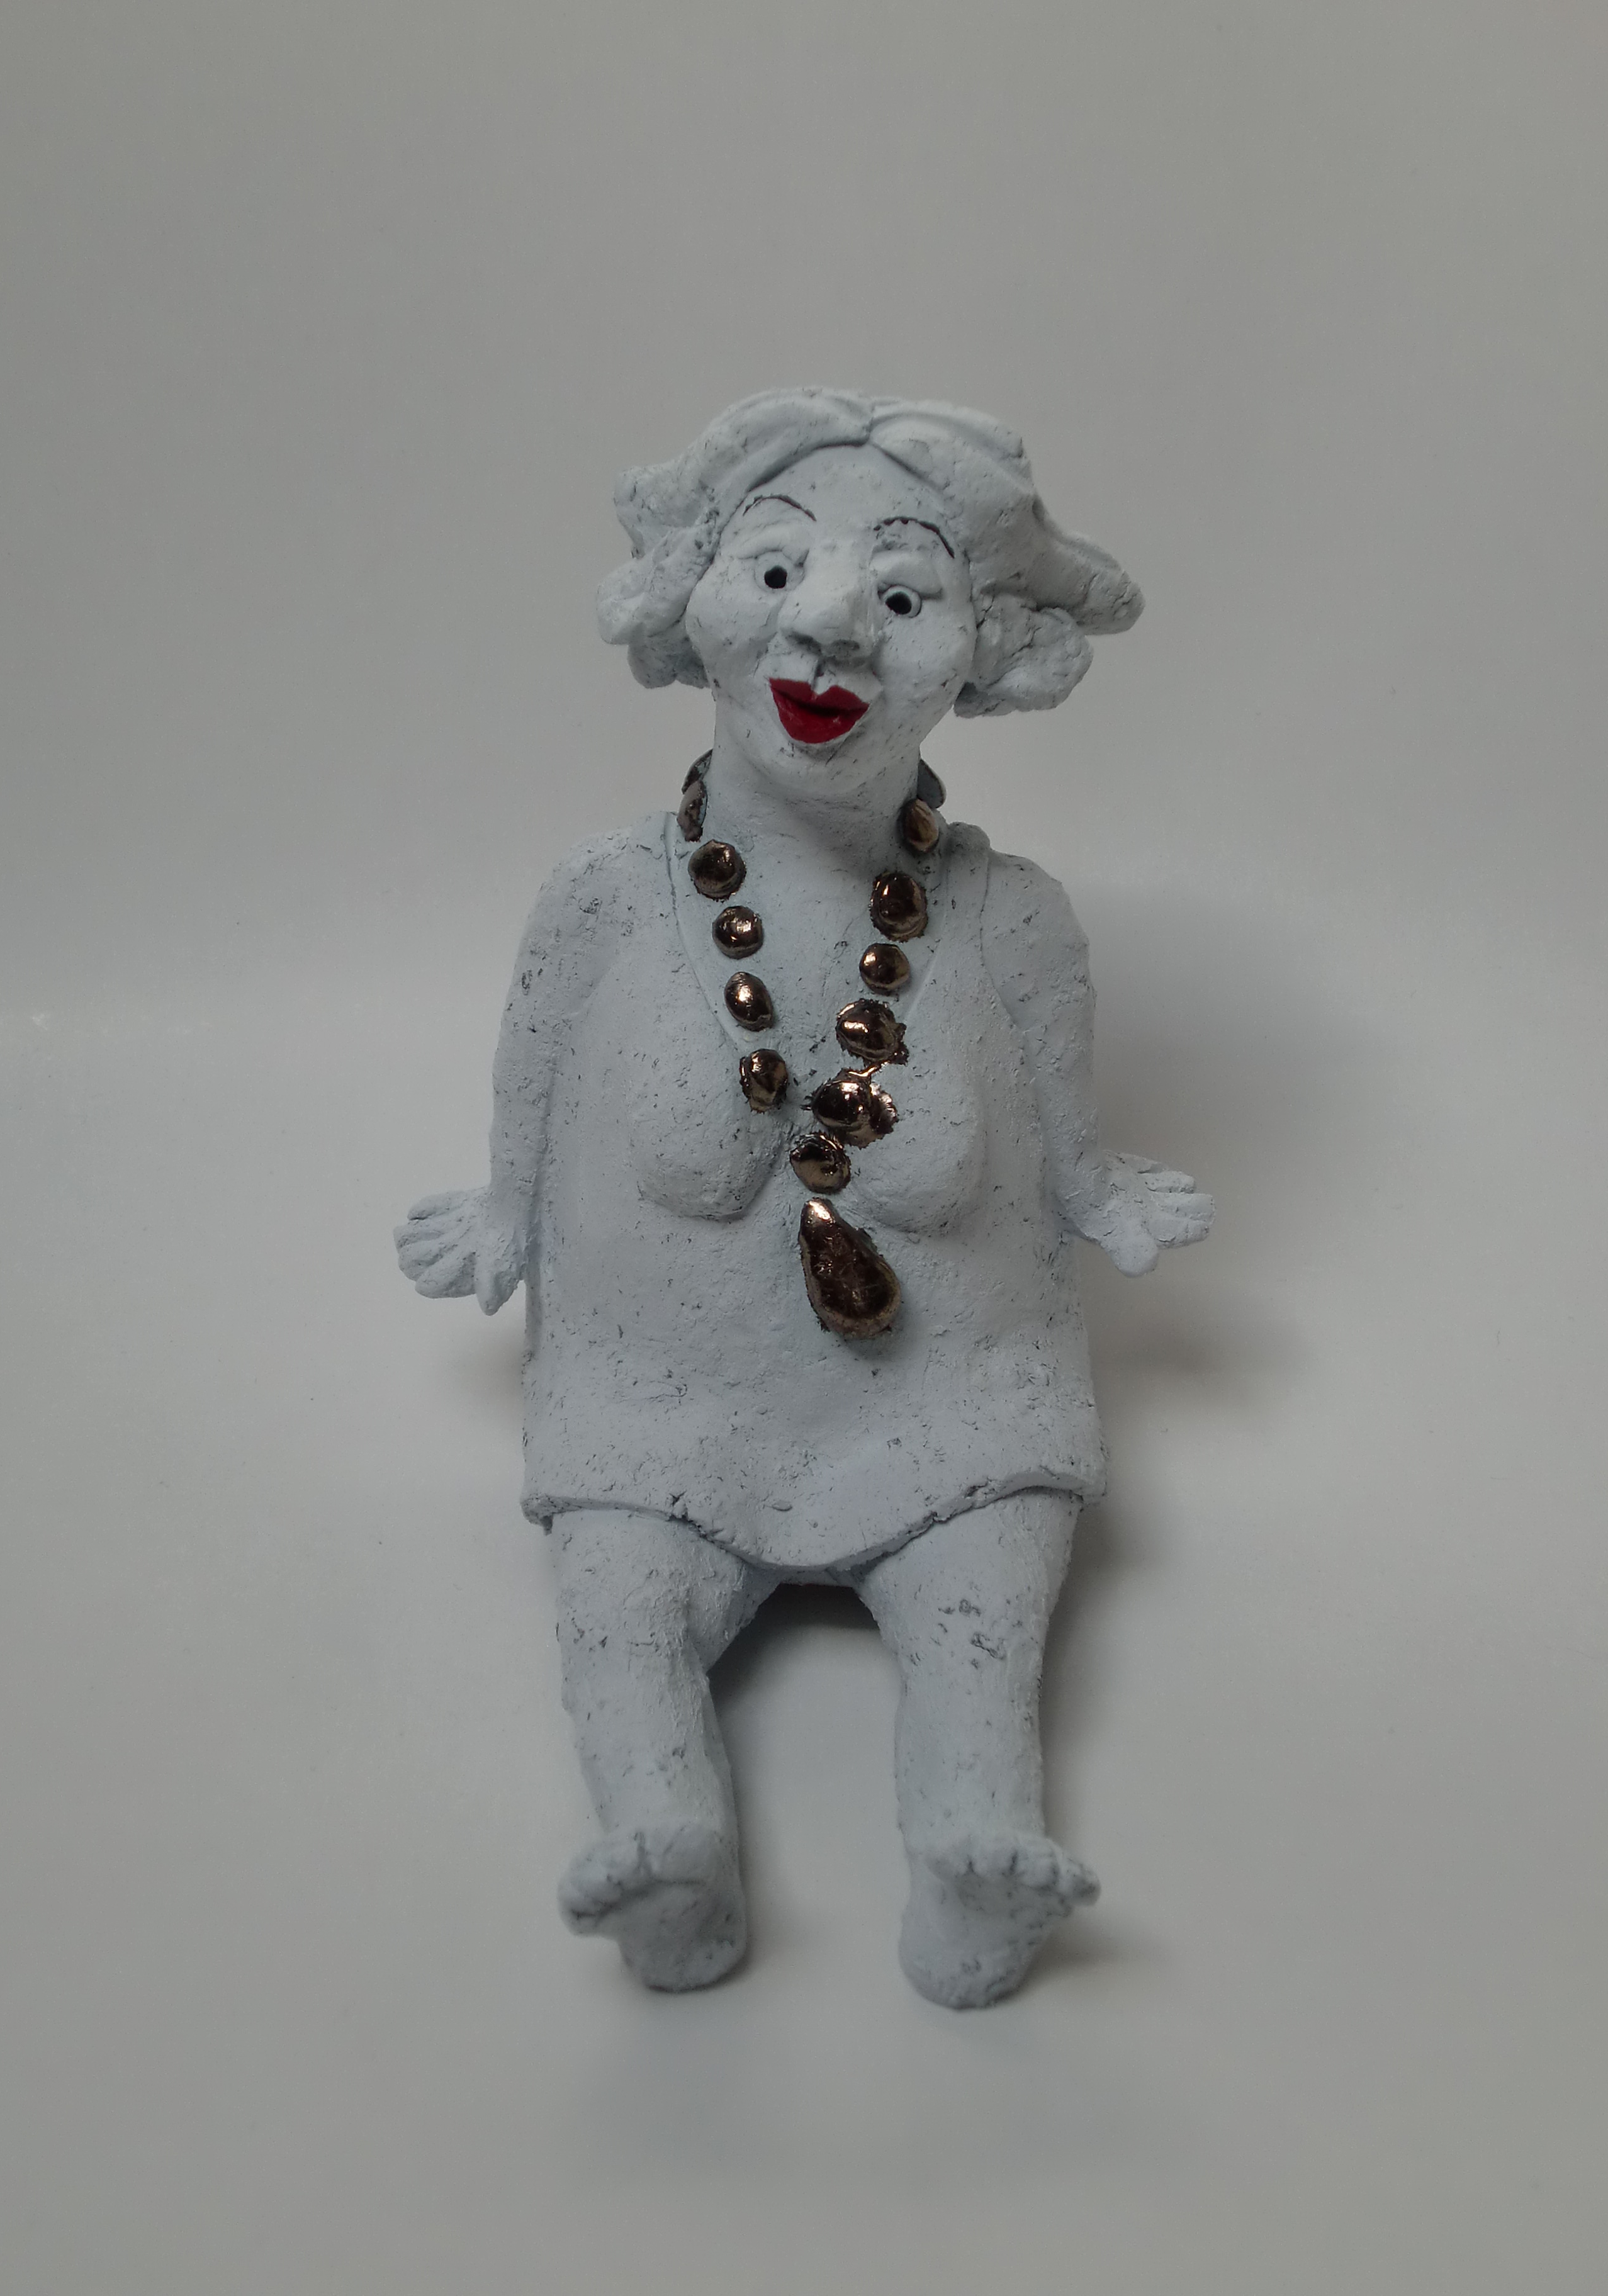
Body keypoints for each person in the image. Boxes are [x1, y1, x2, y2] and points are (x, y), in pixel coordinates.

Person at [396, 390, 1212, 2006]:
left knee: (987, 1591)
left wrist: (1100, 1193)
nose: (830, 624)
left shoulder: (1011, 916)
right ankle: (666, 1843)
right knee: (622, 1599)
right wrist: (499, 1208)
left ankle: (976, 1841)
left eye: (901, 595)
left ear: (981, 649)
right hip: (657, 1412)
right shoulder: (606, 896)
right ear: (693, 604)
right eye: (775, 571)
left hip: (958, 1404)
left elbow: (1061, 1108)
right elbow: (536, 1057)